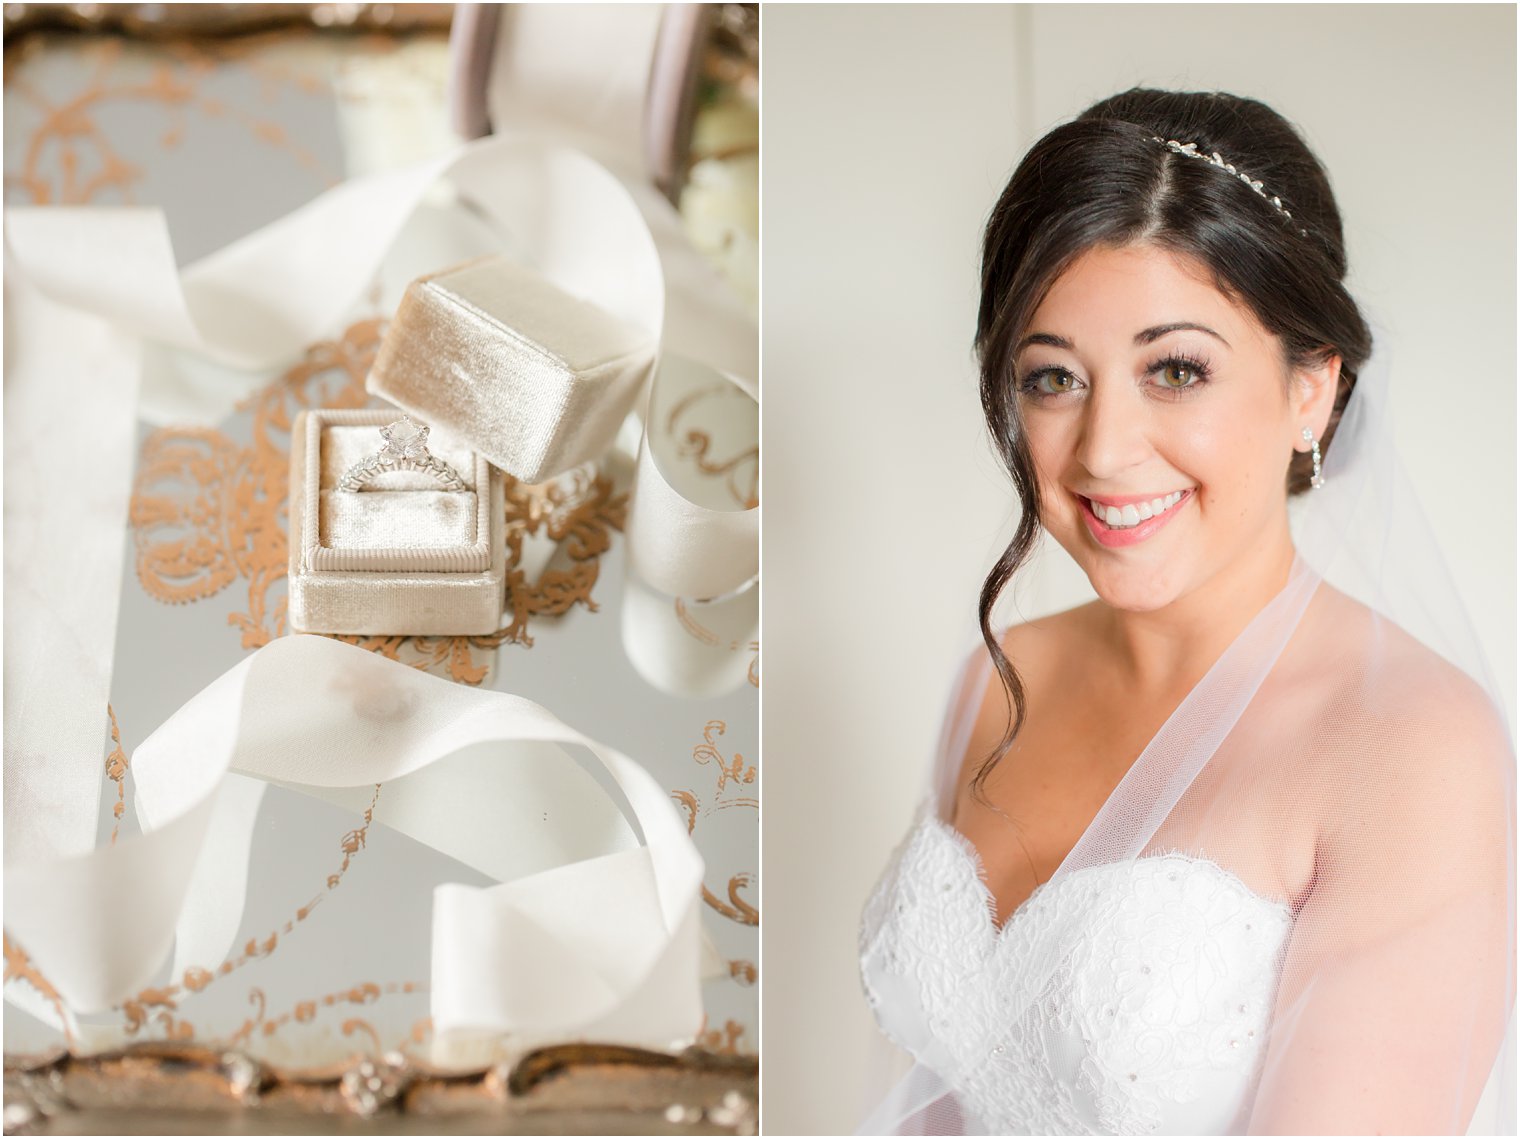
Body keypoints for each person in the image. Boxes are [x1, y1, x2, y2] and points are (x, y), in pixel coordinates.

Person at [857, 88, 1515, 1135]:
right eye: (1051, 376)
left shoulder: (1410, 745)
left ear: (1311, 388)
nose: (1103, 447)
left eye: (1174, 369)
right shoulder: (995, 678)